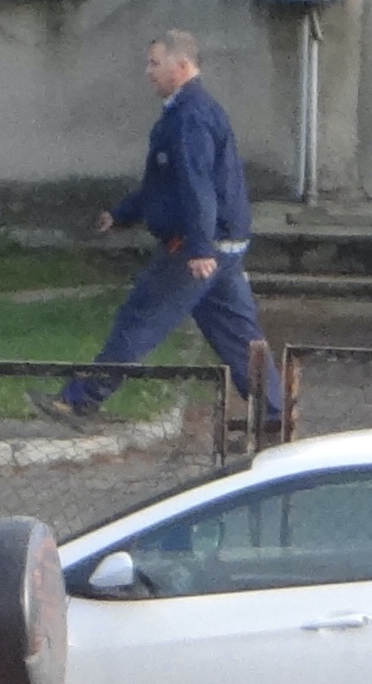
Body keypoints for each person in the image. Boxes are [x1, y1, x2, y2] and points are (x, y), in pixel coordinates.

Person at [49, 28, 281, 422]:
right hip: (224, 244)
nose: (148, 72)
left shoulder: (190, 119)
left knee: (139, 320)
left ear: (182, 65)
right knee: (238, 335)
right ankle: (276, 414)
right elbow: (164, 186)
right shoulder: (187, 112)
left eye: (155, 63)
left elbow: (197, 187)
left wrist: (199, 248)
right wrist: (123, 214)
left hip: (194, 248)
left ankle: (81, 400)